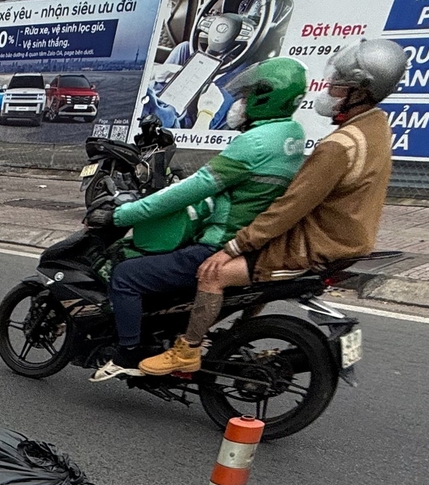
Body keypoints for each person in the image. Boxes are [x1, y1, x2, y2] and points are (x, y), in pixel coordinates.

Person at [131, 37, 407, 377]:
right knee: (248, 273)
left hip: (313, 244)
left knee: (213, 272)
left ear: (360, 91)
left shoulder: (338, 146)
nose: (329, 91)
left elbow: (290, 207)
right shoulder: (376, 129)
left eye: (338, 87)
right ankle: (237, 336)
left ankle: (187, 351)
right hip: (348, 239)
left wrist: (235, 245)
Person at [92, 57, 309, 381]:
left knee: (126, 275)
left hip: (220, 245)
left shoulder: (255, 143)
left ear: (266, 98)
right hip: (253, 241)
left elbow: (193, 190)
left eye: (245, 96)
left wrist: (121, 215)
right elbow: (235, 191)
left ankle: (126, 355)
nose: (238, 103)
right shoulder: (290, 134)